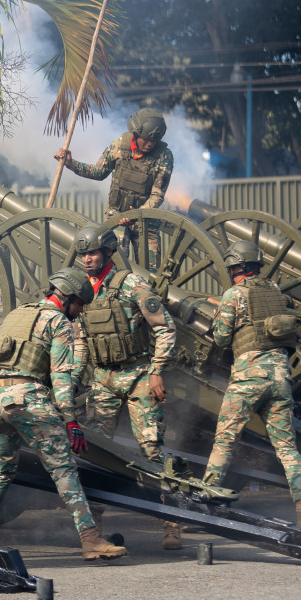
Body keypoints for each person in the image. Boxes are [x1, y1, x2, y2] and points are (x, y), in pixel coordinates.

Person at [0, 269, 127, 560]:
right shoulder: (58, 321)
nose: (80, 312)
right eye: (79, 305)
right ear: (68, 297)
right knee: (63, 469)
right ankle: (91, 539)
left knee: (0, 469)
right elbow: (61, 375)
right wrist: (71, 420)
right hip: (28, 400)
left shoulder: (15, 315)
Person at [73, 223, 181, 548]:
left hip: (138, 376)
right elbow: (81, 340)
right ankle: (93, 531)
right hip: (101, 380)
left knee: (151, 450)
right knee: (96, 453)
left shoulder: (131, 284)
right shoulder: (81, 291)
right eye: (83, 254)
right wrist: (72, 379)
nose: (87, 259)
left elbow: (165, 327)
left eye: (93, 253)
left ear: (108, 252)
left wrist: (157, 371)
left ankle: (172, 525)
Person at [203, 240, 301, 530]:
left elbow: (221, 339)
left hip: (249, 377)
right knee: (287, 447)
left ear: (236, 267)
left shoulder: (233, 294)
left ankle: (204, 506)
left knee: (225, 441)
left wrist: (218, 314)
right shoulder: (275, 291)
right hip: (280, 375)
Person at [54, 108, 173, 267]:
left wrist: (136, 215)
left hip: (145, 220)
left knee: (150, 272)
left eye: (154, 140)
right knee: (116, 266)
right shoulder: (118, 146)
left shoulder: (164, 156)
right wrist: (71, 163)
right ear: (136, 133)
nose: (150, 144)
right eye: (146, 139)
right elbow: (98, 172)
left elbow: (157, 195)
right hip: (117, 216)